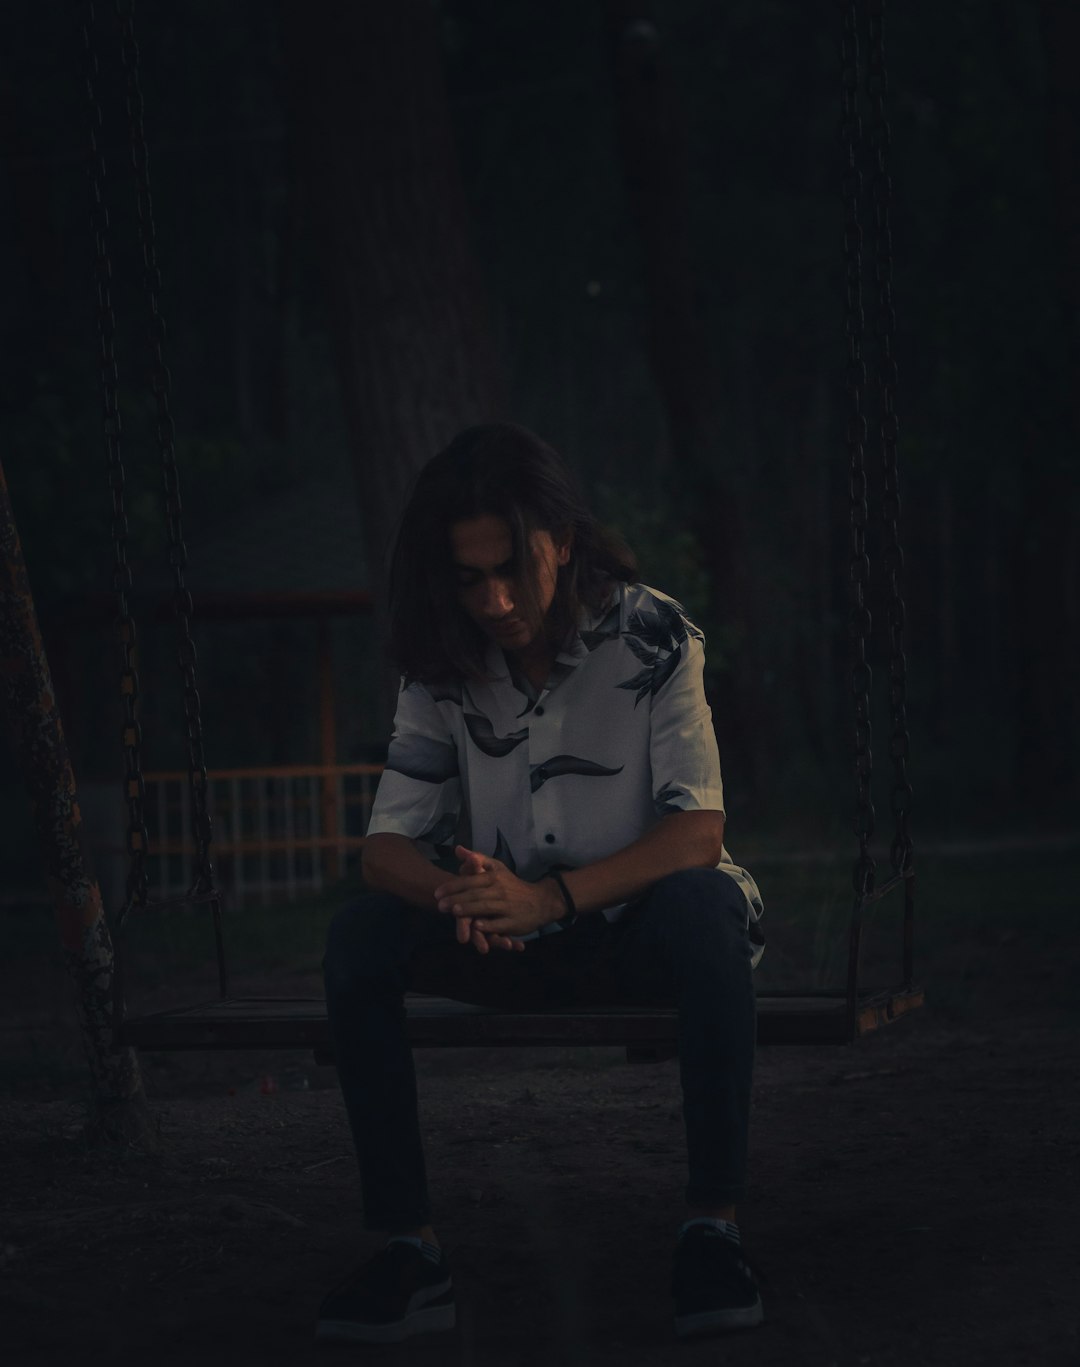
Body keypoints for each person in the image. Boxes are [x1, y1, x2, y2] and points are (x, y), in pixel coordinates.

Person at [317, 423, 766, 1345]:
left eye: (512, 568)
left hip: (637, 934)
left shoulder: (654, 632)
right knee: (361, 934)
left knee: (707, 903)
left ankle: (712, 1228)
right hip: (504, 940)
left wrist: (550, 899)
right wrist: (464, 894)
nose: (495, 598)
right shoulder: (441, 661)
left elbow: (698, 829)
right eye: (470, 576)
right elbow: (384, 850)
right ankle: (412, 1252)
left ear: (561, 539)